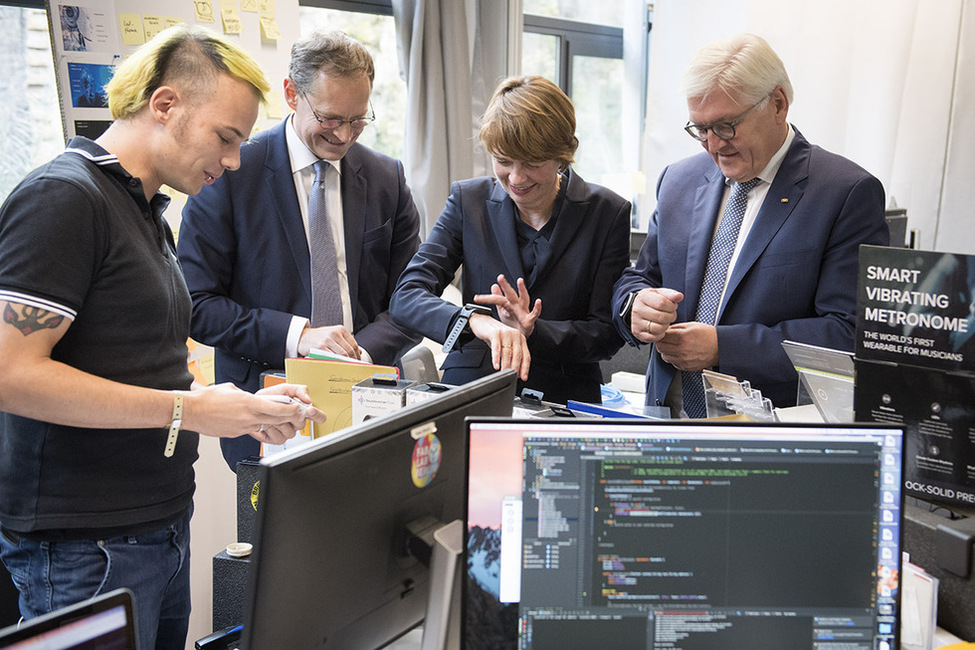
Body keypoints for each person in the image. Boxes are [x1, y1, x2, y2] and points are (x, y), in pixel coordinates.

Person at [0, 25, 325, 650]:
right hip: (85, 547)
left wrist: (237, 410)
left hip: (157, 528)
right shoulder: (64, 199)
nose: (232, 162)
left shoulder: (146, 211)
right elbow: (12, 375)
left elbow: (144, 362)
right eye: (225, 138)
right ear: (165, 105)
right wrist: (193, 409)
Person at [178, 30, 422, 471]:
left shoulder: (387, 177)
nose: (345, 135)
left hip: (373, 402)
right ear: (292, 93)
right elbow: (197, 305)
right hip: (267, 412)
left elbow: (411, 299)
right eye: (330, 118)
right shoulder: (229, 172)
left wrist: (357, 357)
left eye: (358, 119)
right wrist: (300, 336)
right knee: (275, 539)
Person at [612, 33, 889, 418]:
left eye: (726, 125)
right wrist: (636, 305)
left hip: (767, 432)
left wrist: (724, 347)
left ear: (778, 104)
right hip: (667, 417)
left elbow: (848, 334)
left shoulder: (845, 192)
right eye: (700, 129)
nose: (713, 145)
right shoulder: (678, 180)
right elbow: (638, 278)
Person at [390, 75, 631, 404]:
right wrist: (476, 322)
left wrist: (535, 331)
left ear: (564, 154)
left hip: (565, 395)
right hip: (473, 388)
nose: (516, 179)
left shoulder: (608, 212)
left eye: (532, 164)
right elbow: (407, 295)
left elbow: (607, 333)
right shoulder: (468, 201)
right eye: (503, 161)